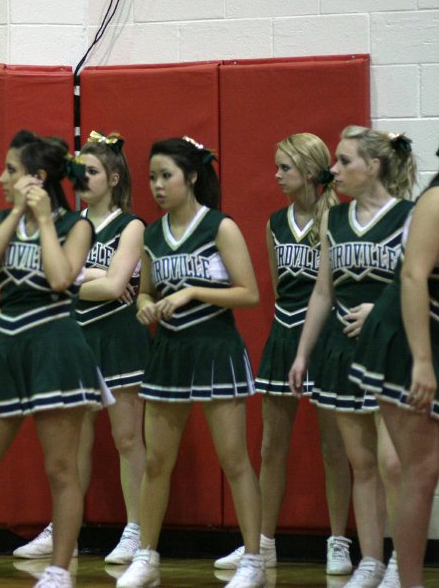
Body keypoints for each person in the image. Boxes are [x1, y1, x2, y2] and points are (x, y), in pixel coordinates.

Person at [0, 131, 107, 588]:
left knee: (61, 469)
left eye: (11, 170)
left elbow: (60, 278)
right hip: (8, 347)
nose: (1, 177)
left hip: (55, 348)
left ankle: (59, 571)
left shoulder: (76, 226)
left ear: (38, 178)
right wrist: (16, 215)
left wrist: (45, 221)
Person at [118, 136, 264, 588]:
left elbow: (250, 293)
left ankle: (255, 560)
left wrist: (194, 291)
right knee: (157, 461)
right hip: (169, 355)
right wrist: (143, 304)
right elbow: (145, 289)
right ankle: (146, 555)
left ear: (192, 176)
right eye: (152, 178)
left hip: (216, 352)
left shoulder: (220, 227)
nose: (158, 186)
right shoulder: (151, 233)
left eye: (167, 176)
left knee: (234, 459)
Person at [214, 133, 353, 575]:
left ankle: (338, 542)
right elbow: (276, 285)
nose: (276, 175)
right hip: (284, 333)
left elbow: (337, 286)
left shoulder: (340, 217)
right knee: (271, 445)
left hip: (328, 338)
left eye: (284, 168)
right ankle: (263, 542)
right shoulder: (275, 222)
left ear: (310, 173)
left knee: (334, 447)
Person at [13, 131, 148, 565]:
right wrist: (93, 276)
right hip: (76, 338)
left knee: (128, 439)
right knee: (72, 444)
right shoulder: (70, 222)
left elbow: (113, 288)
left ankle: (136, 530)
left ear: (112, 177)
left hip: (119, 338)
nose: (82, 179)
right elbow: (53, 280)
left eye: (91, 172)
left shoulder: (132, 225)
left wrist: (82, 277)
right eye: (78, 172)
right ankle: (62, 527)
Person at [289, 126, 416, 588]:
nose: (334, 170)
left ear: (375, 166)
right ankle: (371, 561)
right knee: (360, 464)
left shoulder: (411, 217)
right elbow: (322, 291)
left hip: (393, 352)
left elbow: (423, 284)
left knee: (394, 464)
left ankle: (403, 559)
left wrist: (383, 310)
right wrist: (303, 353)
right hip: (340, 353)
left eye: (344, 162)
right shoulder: (334, 220)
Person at [349, 158, 438, 588]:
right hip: (406, 336)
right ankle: (410, 583)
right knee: (420, 469)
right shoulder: (436, 202)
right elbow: (413, 276)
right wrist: (422, 361)